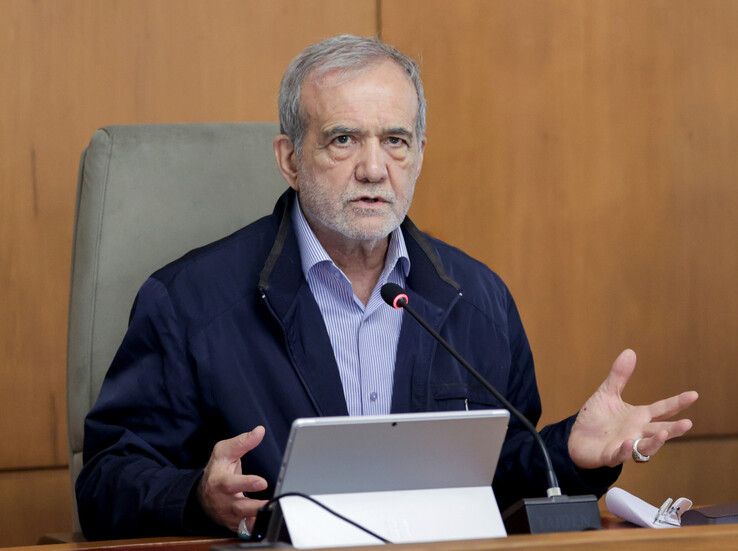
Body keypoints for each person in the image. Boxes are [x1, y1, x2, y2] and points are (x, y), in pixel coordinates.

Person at [76, 35, 698, 540]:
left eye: (394, 141)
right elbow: (106, 481)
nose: (374, 168)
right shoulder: (189, 302)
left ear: (419, 154)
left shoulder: (477, 300)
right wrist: (198, 496)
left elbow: (495, 484)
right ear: (290, 159)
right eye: (343, 139)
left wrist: (567, 452)